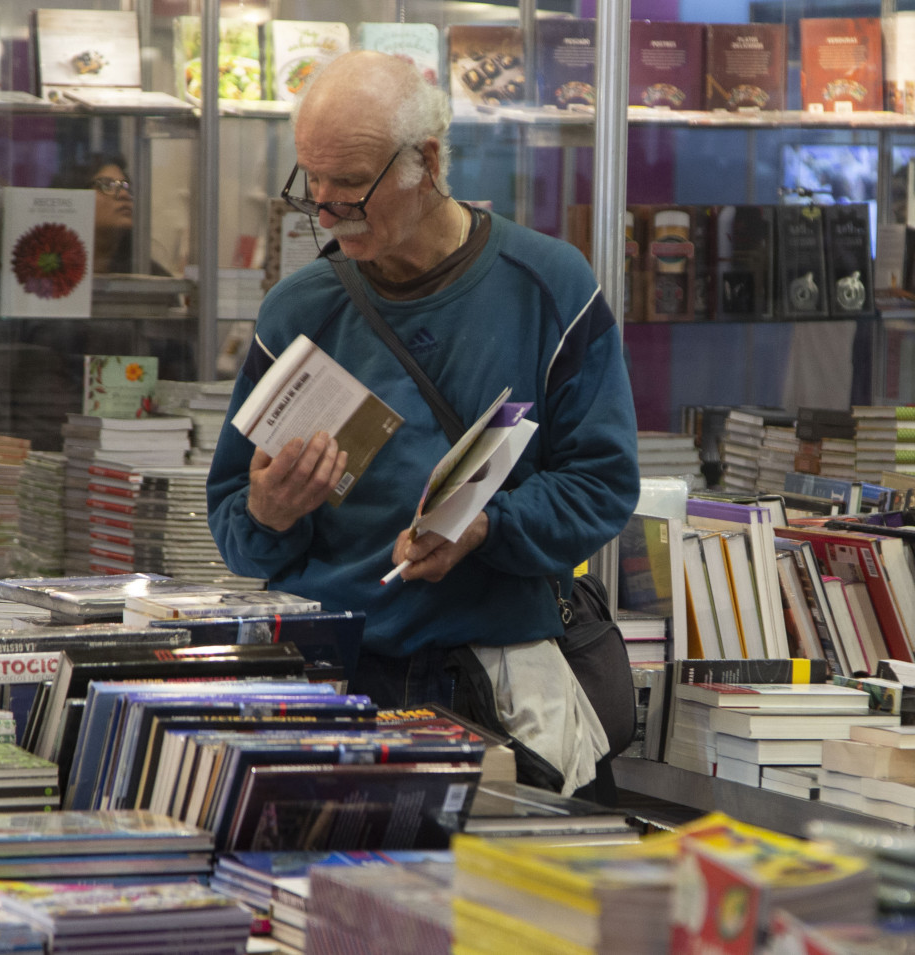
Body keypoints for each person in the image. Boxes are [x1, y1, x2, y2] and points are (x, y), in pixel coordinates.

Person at [205, 51, 639, 798]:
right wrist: (267, 514)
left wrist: (485, 526)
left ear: (426, 162)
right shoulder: (300, 310)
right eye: (312, 181)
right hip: (331, 685)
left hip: (491, 682)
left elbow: (601, 485)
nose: (326, 207)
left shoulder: (549, 286)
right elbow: (234, 520)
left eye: (351, 185)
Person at [50, 153, 170, 275]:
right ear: (76, 196)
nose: (124, 195)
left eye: (126, 186)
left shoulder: (149, 276)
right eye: (107, 185)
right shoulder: (48, 270)